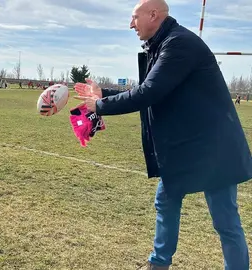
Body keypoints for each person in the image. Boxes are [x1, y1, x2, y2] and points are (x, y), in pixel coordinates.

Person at [74, 0, 252, 269]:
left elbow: (149, 93)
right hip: (188, 147)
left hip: (215, 149)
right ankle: (158, 263)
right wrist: (105, 96)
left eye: (134, 17)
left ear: (153, 15)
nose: (130, 24)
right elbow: (150, 89)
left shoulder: (179, 44)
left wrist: (99, 106)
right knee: (166, 201)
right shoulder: (162, 45)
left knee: (225, 220)